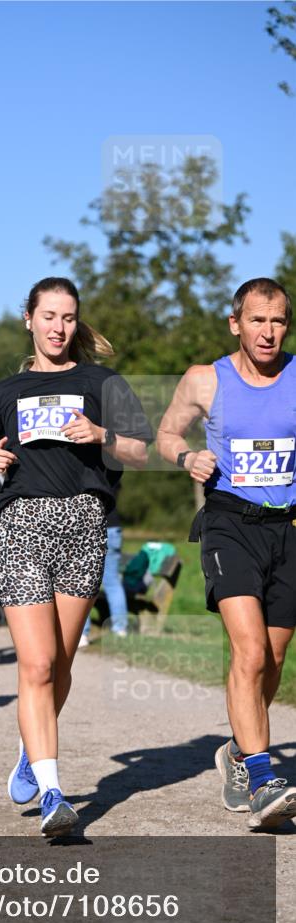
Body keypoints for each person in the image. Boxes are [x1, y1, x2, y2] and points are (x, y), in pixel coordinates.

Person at [0, 276, 151, 837]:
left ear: (77, 322)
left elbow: (140, 452)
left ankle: (31, 746)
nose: (58, 327)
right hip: (22, 525)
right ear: (30, 319)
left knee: (62, 664)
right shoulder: (5, 391)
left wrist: (101, 434)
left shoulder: (102, 380)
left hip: (84, 525)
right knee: (38, 664)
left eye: (68, 318)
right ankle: (53, 793)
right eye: (48, 316)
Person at [156, 277, 296, 831]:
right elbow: (167, 434)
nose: (268, 332)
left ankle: (238, 753)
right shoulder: (204, 379)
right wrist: (187, 456)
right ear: (236, 323)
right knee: (250, 651)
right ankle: (262, 779)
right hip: (228, 524)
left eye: (279, 320)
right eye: (257, 320)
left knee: (274, 661)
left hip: (286, 528)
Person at [80, 484, 128, 646]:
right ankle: (120, 629)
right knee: (113, 582)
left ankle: (82, 634)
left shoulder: (87, 467)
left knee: (83, 582)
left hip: (88, 528)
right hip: (113, 527)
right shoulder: (115, 463)